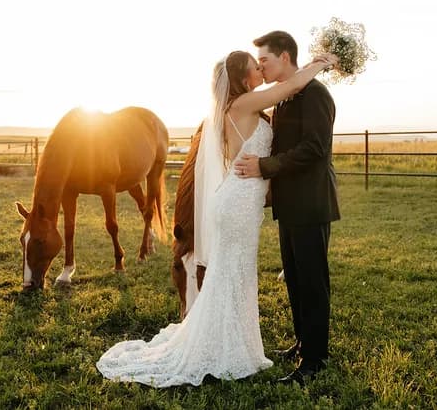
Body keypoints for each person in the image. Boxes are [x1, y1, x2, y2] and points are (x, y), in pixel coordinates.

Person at [96, 49, 336, 387]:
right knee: (233, 275)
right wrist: (319, 64)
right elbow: (290, 86)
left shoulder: (236, 107)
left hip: (240, 201)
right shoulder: (243, 105)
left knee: (235, 275)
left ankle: (234, 345)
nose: (260, 69)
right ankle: (224, 349)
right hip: (238, 203)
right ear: (241, 79)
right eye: (255, 67)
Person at [233, 30, 341, 385]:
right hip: (289, 204)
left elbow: (314, 150)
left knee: (312, 281)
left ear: (284, 56)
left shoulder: (315, 95)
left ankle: (316, 360)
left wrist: (264, 168)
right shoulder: (284, 98)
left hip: (311, 202)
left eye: (264, 60)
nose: (260, 67)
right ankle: (301, 342)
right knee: (294, 277)